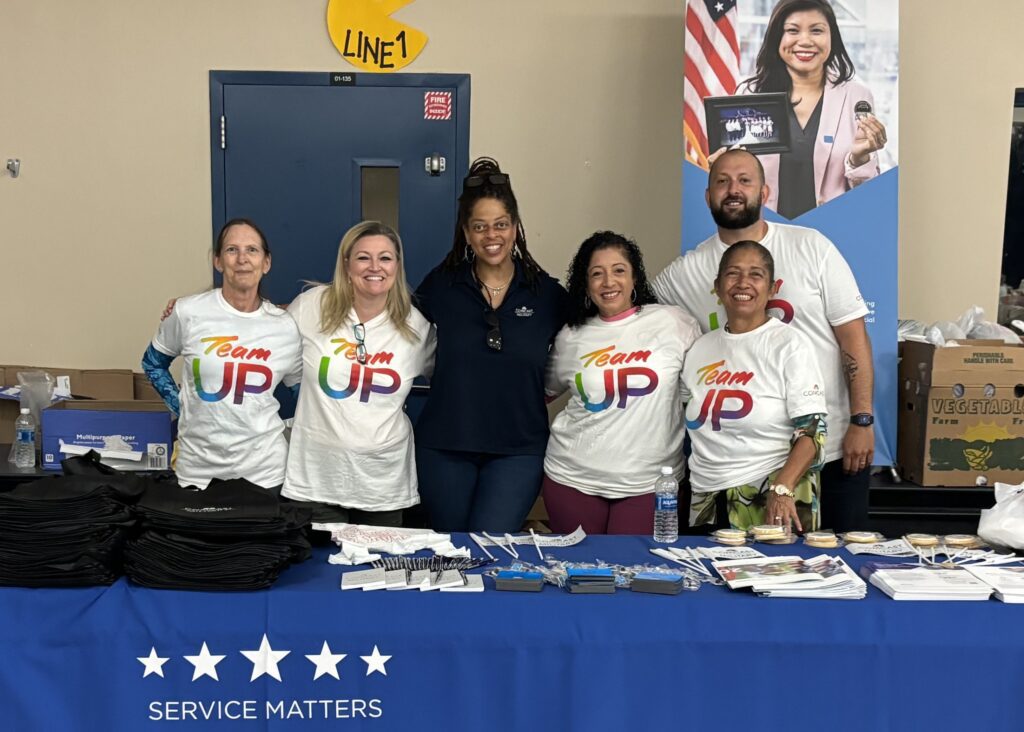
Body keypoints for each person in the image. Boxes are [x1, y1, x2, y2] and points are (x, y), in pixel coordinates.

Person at [654, 149, 874, 531]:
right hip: (735, 465)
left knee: (829, 568)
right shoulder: (686, 272)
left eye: (744, 180)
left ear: (765, 191)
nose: (733, 189)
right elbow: (628, 310)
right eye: (721, 181)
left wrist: (862, 419)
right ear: (707, 196)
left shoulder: (811, 246)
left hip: (831, 445)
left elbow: (852, 336)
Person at [414, 157, 569, 533]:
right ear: (466, 233)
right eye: (479, 227)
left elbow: (585, 350)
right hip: (445, 445)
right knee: (452, 553)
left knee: (491, 547)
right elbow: (396, 333)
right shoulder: (441, 286)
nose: (491, 235)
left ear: (515, 228)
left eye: (500, 225)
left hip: (519, 447)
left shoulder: (547, 295)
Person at [542, 232, 701, 535]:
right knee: (580, 577)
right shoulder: (571, 336)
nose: (608, 282)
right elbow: (543, 393)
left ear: (635, 279)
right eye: (596, 274)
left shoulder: (675, 323)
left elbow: (702, 386)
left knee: (637, 575)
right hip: (572, 479)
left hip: (650, 483)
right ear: (586, 284)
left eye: (619, 270)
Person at [281, 221, 435, 527]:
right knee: (318, 572)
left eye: (385, 258)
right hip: (316, 478)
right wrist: (200, 310)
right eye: (364, 257)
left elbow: (452, 380)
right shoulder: (311, 307)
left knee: (377, 573)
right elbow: (261, 332)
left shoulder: (416, 326)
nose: (374, 267)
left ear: (397, 266)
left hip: (383, 482)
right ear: (346, 264)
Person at [142, 218, 302, 490]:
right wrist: (183, 407)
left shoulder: (285, 326)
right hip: (197, 472)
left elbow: (303, 392)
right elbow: (152, 364)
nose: (242, 258)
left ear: (266, 263)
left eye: (252, 250)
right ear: (217, 261)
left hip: (265, 474)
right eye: (231, 250)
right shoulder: (187, 312)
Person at [683, 241, 827, 532]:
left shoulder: (790, 344)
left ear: (772, 288)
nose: (743, 283)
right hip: (706, 498)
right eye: (733, 273)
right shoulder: (700, 348)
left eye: (756, 274)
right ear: (718, 286)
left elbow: (813, 433)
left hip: (772, 496)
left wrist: (781, 489)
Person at [729, 0, 888, 218]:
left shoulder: (857, 97)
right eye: (792, 30)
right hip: (764, 236)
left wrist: (859, 159)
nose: (805, 41)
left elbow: (868, 195)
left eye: (816, 31)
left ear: (832, 37)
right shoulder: (750, 94)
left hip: (831, 235)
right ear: (778, 37)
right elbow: (737, 181)